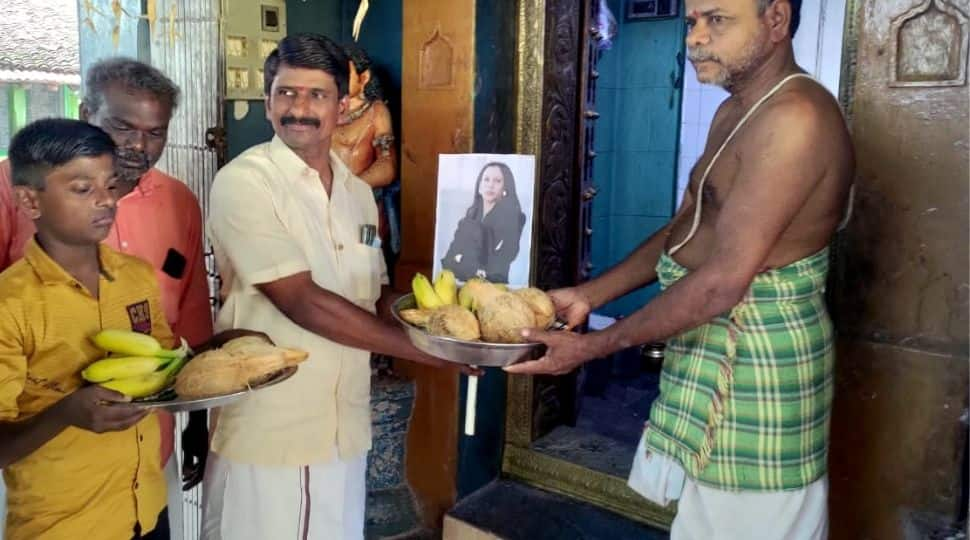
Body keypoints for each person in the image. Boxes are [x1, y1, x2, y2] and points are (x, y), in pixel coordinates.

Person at [506, 0, 853, 538]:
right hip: (714, 359)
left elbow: (720, 284)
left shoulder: (796, 119)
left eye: (718, 20)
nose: (694, 38)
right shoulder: (736, 109)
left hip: (756, 366)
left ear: (777, 19)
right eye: (692, 21)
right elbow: (685, 231)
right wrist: (589, 296)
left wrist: (594, 346)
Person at [202, 33, 470, 540]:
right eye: (286, 93)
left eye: (316, 95)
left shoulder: (356, 195)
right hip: (273, 426)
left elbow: (375, 294)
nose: (299, 109)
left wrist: (450, 327)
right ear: (267, 101)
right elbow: (300, 299)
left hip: (343, 428)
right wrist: (427, 354)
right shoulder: (245, 182)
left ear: (342, 105)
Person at [0, 58, 213, 515]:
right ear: (85, 114)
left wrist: (197, 420)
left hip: (147, 460)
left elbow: (191, 323)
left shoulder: (179, 203)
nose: (139, 145)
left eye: (155, 132)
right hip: (42, 472)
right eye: (122, 126)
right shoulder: (16, 189)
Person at [0, 119, 172, 540]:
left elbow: (167, 362)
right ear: (29, 200)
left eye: (110, 186)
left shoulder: (136, 278)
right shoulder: (10, 305)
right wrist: (66, 414)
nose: (106, 202)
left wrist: (222, 352)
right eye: (82, 189)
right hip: (64, 526)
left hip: (148, 511)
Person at [441, 161, 526, 283]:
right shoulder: (466, 221)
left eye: (497, 181)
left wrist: (461, 261)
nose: (490, 185)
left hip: (493, 288)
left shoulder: (514, 218)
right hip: (462, 287)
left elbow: (500, 261)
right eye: (486, 179)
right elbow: (448, 261)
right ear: (479, 186)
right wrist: (475, 269)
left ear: (505, 187)